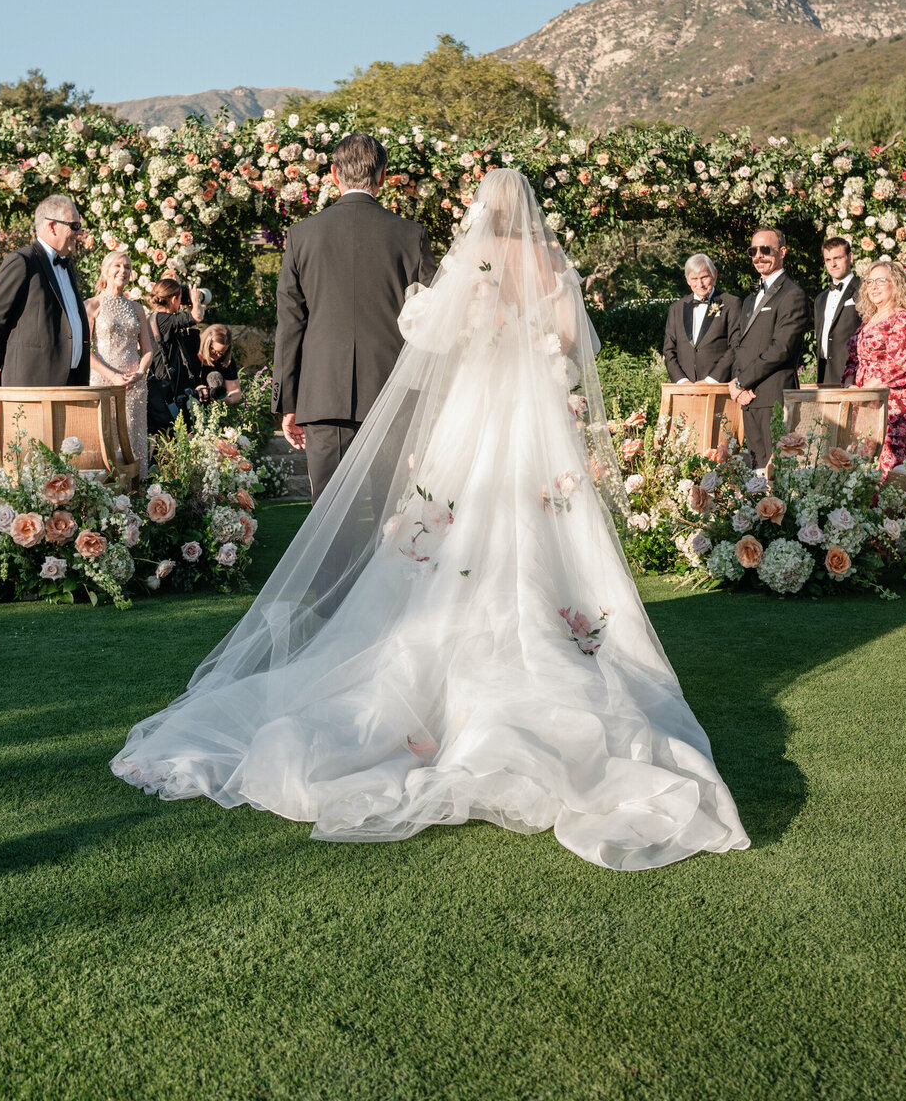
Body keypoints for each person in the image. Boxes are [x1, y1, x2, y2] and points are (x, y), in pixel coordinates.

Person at [112, 169, 749, 873]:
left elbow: (426, 331)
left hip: (475, 416)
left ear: (482, 212)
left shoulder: (470, 261)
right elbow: (571, 338)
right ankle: (556, 638)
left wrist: (473, 322)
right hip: (531, 418)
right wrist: (532, 335)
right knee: (547, 525)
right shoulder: (548, 260)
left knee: (448, 529)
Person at [272, 132, 436, 501]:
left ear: (334, 174)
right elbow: (432, 320)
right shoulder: (411, 235)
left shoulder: (301, 235)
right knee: (388, 514)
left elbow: (291, 325)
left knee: (326, 515)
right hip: (392, 389)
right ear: (381, 175)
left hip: (322, 393)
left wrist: (289, 404)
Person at [0, 196, 91, 386]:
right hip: (32, 380)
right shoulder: (23, 261)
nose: (79, 232)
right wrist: (5, 362)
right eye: (74, 226)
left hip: (72, 381)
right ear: (52, 226)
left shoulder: (67, 266)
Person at [843, 261, 906, 475]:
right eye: (870, 282)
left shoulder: (904, 318)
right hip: (866, 401)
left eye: (881, 280)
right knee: (863, 468)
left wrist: (866, 392)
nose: (873, 286)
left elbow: (897, 366)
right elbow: (852, 360)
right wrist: (850, 387)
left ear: (896, 285)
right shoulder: (867, 321)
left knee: (890, 472)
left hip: (897, 404)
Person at [728, 226, 809, 468]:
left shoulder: (793, 295)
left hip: (774, 395)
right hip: (748, 397)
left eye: (765, 249)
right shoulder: (751, 298)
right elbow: (741, 345)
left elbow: (781, 348)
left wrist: (743, 381)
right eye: (753, 250)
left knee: (777, 470)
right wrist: (737, 385)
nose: (758, 256)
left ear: (782, 252)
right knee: (755, 468)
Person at [86, 250, 154, 477]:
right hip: (103, 382)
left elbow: (148, 350)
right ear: (106, 269)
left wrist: (141, 372)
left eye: (127, 267)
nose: (123, 271)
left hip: (134, 386)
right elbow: (84, 352)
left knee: (132, 440)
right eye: (118, 266)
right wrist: (113, 376)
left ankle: (135, 495)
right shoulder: (92, 305)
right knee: (104, 439)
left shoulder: (137, 308)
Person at [661, 255, 740, 384]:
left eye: (704, 277)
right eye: (694, 279)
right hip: (684, 390)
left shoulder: (732, 304)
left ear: (714, 275)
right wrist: (682, 381)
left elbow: (736, 346)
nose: (700, 284)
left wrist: (711, 380)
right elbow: (669, 350)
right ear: (687, 280)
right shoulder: (676, 308)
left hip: (719, 387)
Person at [146, 277, 205, 434]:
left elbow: (190, 345)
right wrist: (195, 302)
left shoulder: (159, 319)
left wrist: (188, 307)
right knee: (169, 435)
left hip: (165, 385)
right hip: (165, 388)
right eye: (180, 298)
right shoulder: (163, 319)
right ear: (173, 299)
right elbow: (197, 317)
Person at [814, 236, 861, 386]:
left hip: (853, 374)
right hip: (825, 374)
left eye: (838, 258)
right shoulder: (820, 299)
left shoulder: (864, 290)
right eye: (828, 260)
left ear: (850, 257)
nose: (833, 264)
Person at [196, 323, 244, 411]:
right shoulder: (191, 355)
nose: (217, 356)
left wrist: (228, 399)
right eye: (214, 351)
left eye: (221, 353)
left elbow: (236, 392)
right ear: (206, 344)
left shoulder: (225, 360)